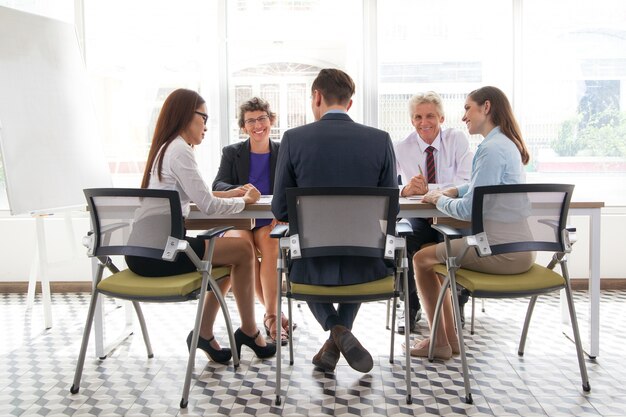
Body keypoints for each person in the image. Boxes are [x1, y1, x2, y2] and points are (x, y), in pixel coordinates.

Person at [125, 88, 276, 364]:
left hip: (142, 251)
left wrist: (228, 194)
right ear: (186, 116)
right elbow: (208, 206)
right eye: (203, 118)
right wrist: (245, 200)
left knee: (229, 255)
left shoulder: (166, 147)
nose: (206, 126)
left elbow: (200, 194)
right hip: (162, 253)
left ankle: (205, 334)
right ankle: (250, 332)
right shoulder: (180, 150)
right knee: (242, 251)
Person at [272, 68, 398, 373]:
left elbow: (279, 208)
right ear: (349, 103)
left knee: (298, 263)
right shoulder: (380, 140)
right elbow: (391, 210)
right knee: (354, 248)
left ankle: (336, 333)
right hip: (367, 264)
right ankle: (340, 334)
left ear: (317, 97)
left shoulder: (293, 139)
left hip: (311, 266)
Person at [409, 86, 533, 360]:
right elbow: (482, 189)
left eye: (468, 108)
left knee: (420, 259)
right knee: (435, 259)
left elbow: (467, 211)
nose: (464, 116)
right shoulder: (504, 144)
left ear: (485, 107)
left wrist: (437, 199)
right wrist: (454, 190)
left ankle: (439, 341)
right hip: (520, 248)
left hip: (499, 252)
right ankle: (447, 341)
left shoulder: (489, 149)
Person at [213, 97, 291, 345]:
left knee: (271, 245)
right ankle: (272, 316)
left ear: (271, 120)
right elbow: (218, 185)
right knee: (243, 249)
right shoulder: (232, 153)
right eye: (251, 121)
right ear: (243, 126)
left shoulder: (283, 151)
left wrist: (284, 211)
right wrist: (241, 190)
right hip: (241, 219)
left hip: (270, 219)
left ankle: (271, 316)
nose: (257, 125)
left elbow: (294, 185)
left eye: (262, 119)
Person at [394, 91, 472, 334]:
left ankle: (456, 306)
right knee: (403, 240)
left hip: (451, 215)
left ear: (441, 118)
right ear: (412, 120)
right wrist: (405, 189)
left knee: (456, 242)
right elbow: (386, 184)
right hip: (420, 217)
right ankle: (412, 307)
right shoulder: (401, 147)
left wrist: (434, 190)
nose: (423, 122)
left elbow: (465, 180)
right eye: (418, 117)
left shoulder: (457, 139)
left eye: (430, 116)